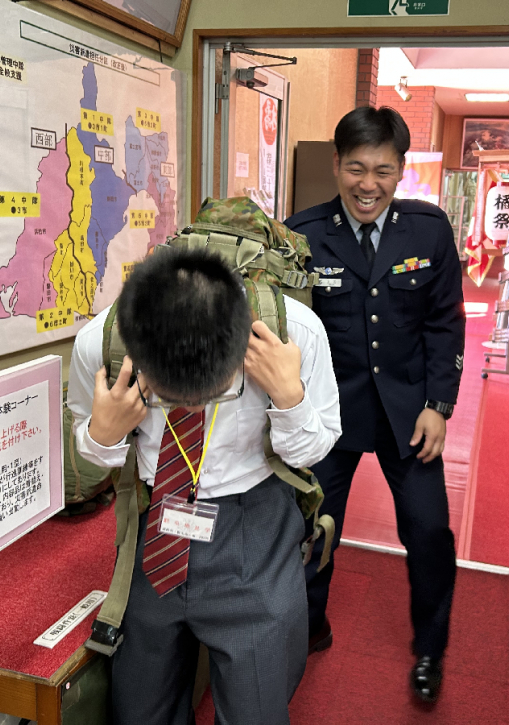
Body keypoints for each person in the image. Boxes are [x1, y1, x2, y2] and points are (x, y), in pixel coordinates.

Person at [67, 248, 341, 724]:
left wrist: (289, 398)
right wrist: (102, 436)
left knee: (256, 707)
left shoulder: (295, 332)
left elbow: (314, 450)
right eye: (169, 396)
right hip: (154, 525)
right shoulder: (99, 341)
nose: (192, 406)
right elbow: (85, 448)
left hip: (254, 526)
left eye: (214, 393)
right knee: (140, 707)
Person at [285, 106, 465, 704]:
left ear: (401, 170)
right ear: (337, 165)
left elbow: (445, 323)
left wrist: (439, 404)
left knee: (430, 531)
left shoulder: (428, 231)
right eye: (357, 168)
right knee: (309, 530)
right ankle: (309, 625)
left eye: (383, 171)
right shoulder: (303, 235)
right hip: (328, 415)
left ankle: (430, 649)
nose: (369, 185)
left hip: (409, 414)